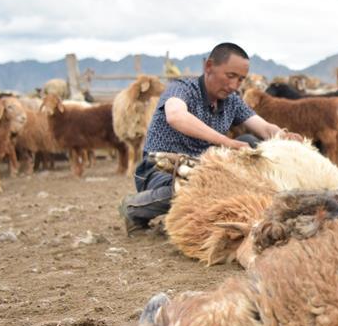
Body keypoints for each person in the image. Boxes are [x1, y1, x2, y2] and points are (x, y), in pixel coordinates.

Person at [118, 42, 287, 233]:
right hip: (160, 170)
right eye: (230, 76)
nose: (234, 85)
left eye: (240, 79)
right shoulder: (182, 89)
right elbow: (175, 116)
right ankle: (133, 207)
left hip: (203, 169)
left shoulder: (232, 101)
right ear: (209, 67)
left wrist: (283, 135)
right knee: (194, 187)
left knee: (251, 143)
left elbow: (263, 127)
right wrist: (227, 142)